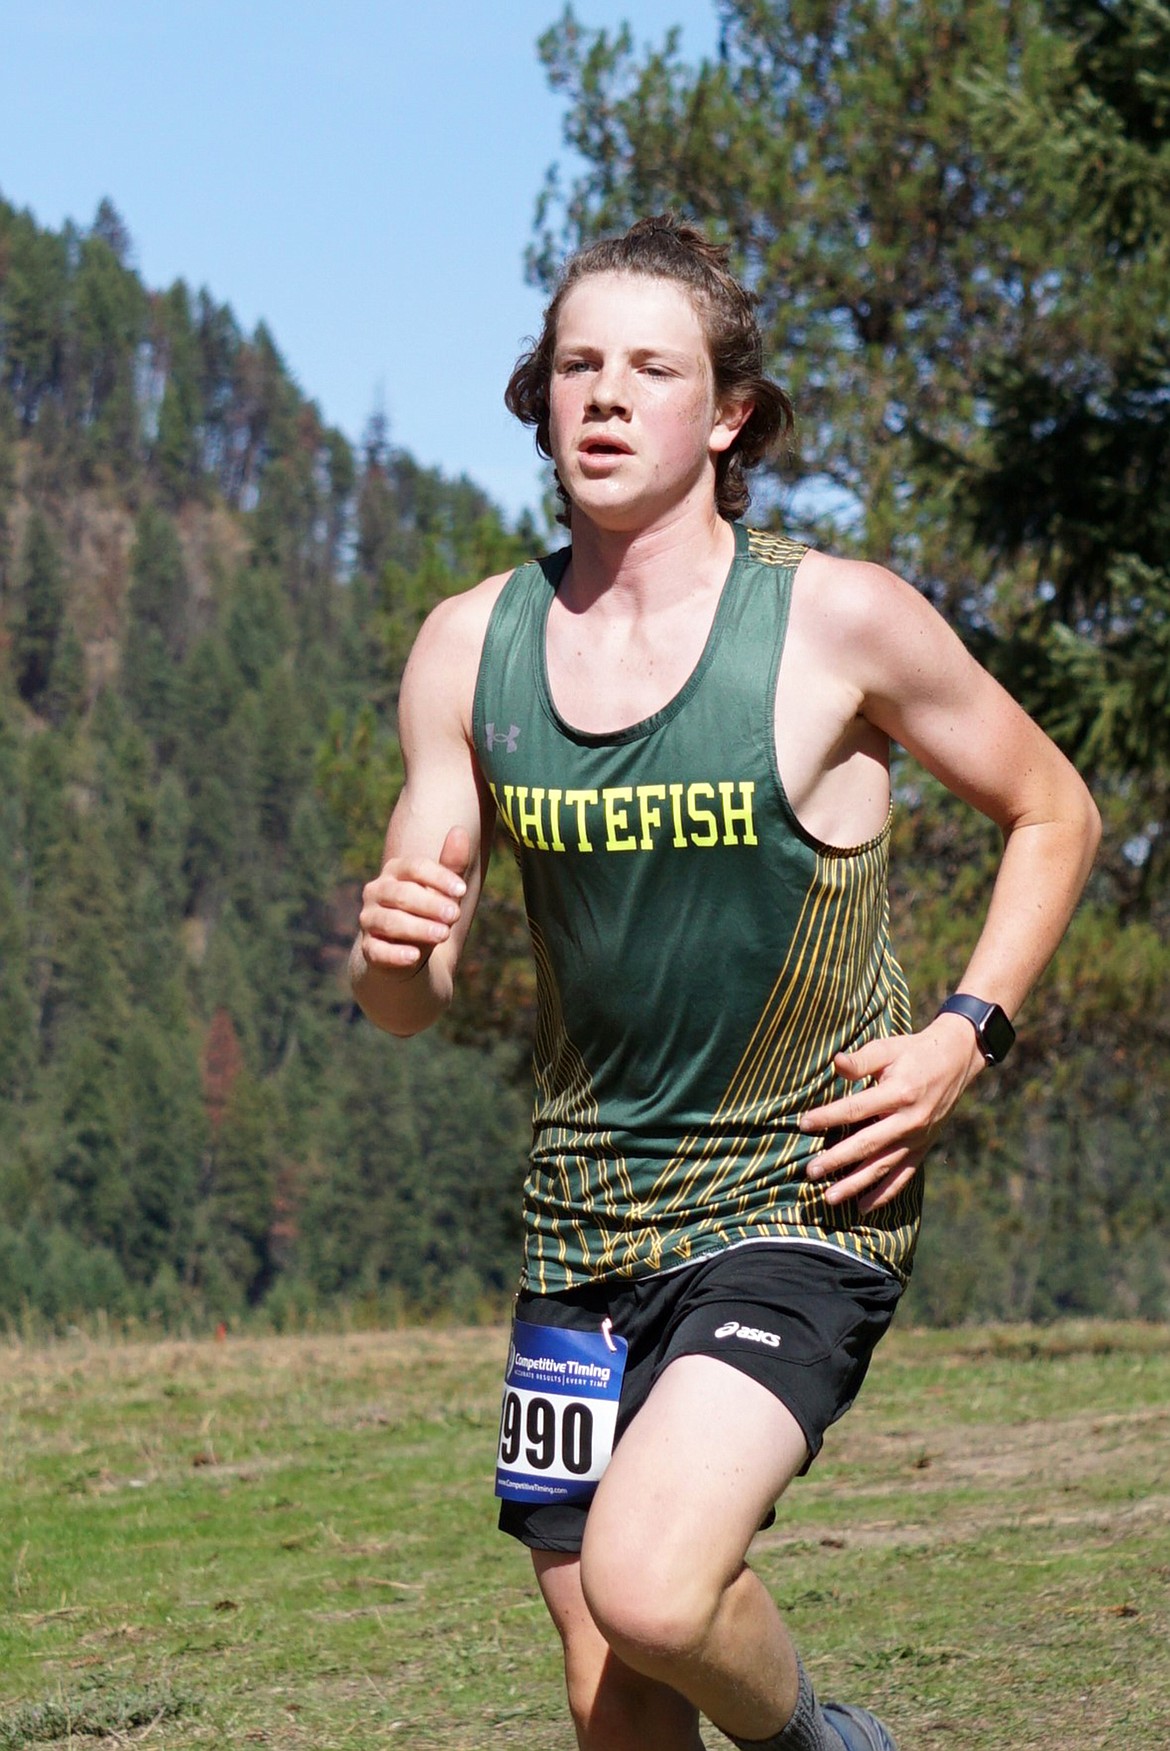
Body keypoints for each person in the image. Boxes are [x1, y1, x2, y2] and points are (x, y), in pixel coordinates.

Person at [351, 215, 1100, 1751]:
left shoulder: (831, 618)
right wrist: (386, 954)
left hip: (795, 1199)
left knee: (653, 1586)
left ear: (729, 412)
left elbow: (1053, 809)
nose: (605, 397)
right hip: (578, 1222)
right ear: (538, 397)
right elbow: (410, 997)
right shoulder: (468, 649)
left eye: (649, 367)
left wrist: (963, 1035)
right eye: (576, 365)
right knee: (610, 1695)